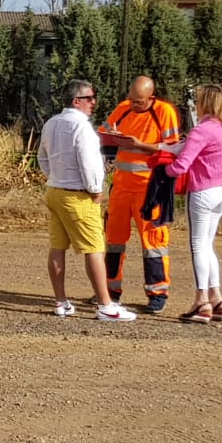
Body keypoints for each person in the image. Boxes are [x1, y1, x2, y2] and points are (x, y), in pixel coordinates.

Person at [39, 79, 136, 322]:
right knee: (94, 248)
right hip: (78, 194)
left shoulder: (52, 123)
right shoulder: (82, 128)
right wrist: (95, 189)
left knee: (57, 246)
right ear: (76, 101)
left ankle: (61, 302)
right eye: (90, 98)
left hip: (55, 191)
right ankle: (105, 305)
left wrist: (55, 176)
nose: (94, 102)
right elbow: (89, 163)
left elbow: (43, 157)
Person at [100, 75, 182, 313]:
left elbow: (174, 148)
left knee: (153, 242)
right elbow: (104, 133)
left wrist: (139, 146)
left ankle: (157, 293)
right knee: (114, 240)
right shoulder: (123, 108)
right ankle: (109, 290)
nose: (134, 104)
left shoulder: (164, 111)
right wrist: (113, 139)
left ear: (151, 96)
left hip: (150, 188)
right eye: (132, 99)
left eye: (140, 101)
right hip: (121, 186)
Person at [165, 84, 222, 324]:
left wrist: (163, 169)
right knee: (208, 245)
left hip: (202, 191)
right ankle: (216, 297)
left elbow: (181, 165)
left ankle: (202, 301)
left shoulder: (203, 130)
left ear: (205, 104)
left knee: (198, 245)